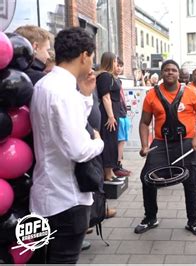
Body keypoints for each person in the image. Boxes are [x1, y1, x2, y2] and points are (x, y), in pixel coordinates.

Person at [29, 27, 104, 263]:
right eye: (91, 55)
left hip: (44, 194)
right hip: (67, 199)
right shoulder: (63, 91)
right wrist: (98, 143)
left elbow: (64, 126)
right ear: (84, 55)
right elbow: (79, 150)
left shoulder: (44, 85)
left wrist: (84, 96)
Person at [135, 60, 196, 237]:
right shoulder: (152, 95)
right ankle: (150, 217)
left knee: (191, 181)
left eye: (173, 70)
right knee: (147, 178)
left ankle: (193, 220)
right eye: (166, 70)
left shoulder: (191, 93)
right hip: (160, 143)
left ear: (178, 74)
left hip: (186, 142)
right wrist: (144, 146)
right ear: (161, 73)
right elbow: (144, 123)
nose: (170, 73)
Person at [96, 52, 125, 185]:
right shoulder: (105, 76)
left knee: (112, 141)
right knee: (109, 141)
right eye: (114, 62)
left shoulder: (109, 76)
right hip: (109, 113)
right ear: (109, 62)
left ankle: (110, 171)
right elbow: (106, 97)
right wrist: (111, 116)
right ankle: (107, 173)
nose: (116, 64)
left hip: (114, 111)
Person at [111, 57, 132, 177]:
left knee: (122, 140)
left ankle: (119, 164)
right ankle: (116, 165)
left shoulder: (119, 80)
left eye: (120, 65)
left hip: (122, 113)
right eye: (117, 65)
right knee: (118, 140)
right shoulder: (110, 80)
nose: (119, 68)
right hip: (117, 114)